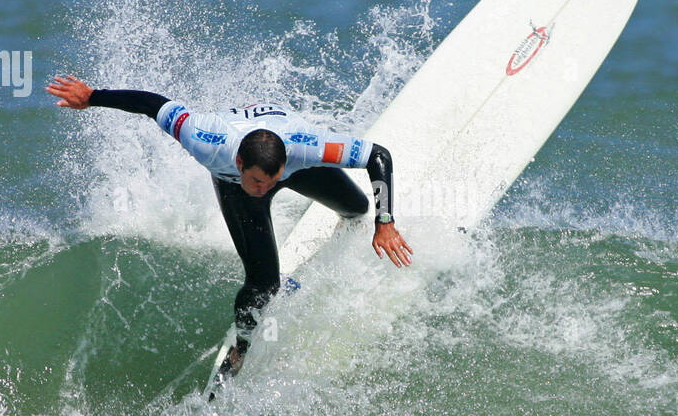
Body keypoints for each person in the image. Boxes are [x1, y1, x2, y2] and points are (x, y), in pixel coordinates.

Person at [46, 75, 411, 382]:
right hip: (235, 188)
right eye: (258, 181)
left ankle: (325, 197)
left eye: (271, 182)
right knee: (265, 283)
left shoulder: (305, 147)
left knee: (359, 207)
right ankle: (241, 348)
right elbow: (151, 103)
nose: (264, 189)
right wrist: (93, 97)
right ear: (238, 161)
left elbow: (378, 156)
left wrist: (386, 222)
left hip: (287, 156)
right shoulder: (205, 139)